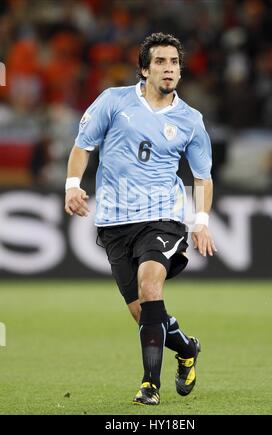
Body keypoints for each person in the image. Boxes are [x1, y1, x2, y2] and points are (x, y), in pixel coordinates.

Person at [65, 33, 217, 406]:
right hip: (115, 220)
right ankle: (185, 348)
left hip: (162, 216)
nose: (169, 69)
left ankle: (150, 385)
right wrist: (72, 185)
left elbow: (202, 176)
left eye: (174, 63)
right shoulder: (114, 101)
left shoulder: (191, 120)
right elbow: (83, 146)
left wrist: (200, 221)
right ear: (145, 69)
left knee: (152, 288)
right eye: (161, 62)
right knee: (144, 312)